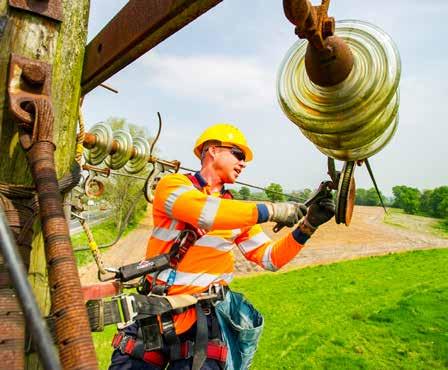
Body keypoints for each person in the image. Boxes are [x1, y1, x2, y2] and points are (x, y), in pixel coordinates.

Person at [109, 123, 335, 370]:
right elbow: (206, 212)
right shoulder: (173, 186)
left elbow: (271, 258)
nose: (243, 163)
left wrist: (308, 227)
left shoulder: (237, 215)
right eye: (238, 154)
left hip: (202, 324)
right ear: (213, 150)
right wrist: (271, 210)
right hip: (152, 314)